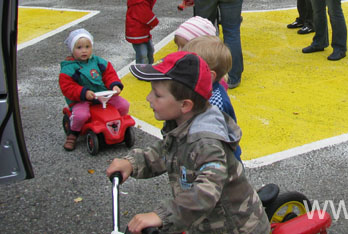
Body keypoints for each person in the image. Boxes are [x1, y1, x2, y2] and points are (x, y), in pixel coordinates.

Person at [106, 51, 270, 234]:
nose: (148, 98)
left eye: (157, 94)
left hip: (237, 229)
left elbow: (207, 190)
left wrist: (163, 215)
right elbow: (167, 151)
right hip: (206, 224)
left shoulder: (207, 143)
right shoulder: (182, 125)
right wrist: (133, 163)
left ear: (185, 105)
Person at [60, 29, 129, 151]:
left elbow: (109, 74)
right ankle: (73, 133)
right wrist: (84, 92)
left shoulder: (98, 62)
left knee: (123, 105)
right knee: (81, 115)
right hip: (82, 99)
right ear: (72, 49)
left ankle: (119, 125)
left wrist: (114, 85)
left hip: (103, 95)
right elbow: (68, 87)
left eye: (87, 47)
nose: (84, 50)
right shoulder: (69, 68)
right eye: (79, 47)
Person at [183, 35, 242, 160]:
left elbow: (214, 143)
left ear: (209, 76)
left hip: (221, 161)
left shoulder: (215, 104)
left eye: (188, 66)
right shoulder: (202, 91)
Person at [126, 0, 159, 64]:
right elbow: (145, 14)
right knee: (142, 53)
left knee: (148, 50)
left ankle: (148, 67)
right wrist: (154, 22)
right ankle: (142, 68)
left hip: (141, 31)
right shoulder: (138, 0)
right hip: (138, 32)